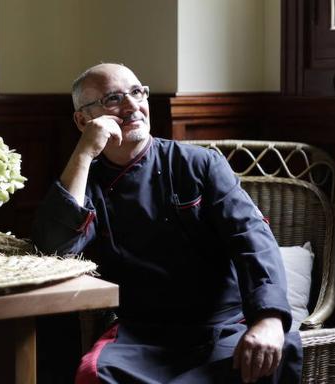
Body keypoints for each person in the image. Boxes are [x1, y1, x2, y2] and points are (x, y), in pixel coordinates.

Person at [32, 63, 302, 383]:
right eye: (113, 99)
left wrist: (269, 317)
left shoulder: (199, 164)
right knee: (96, 375)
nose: (132, 105)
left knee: (256, 363)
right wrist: (85, 152)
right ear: (83, 119)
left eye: (136, 92)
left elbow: (252, 237)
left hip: (224, 325)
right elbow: (54, 250)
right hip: (141, 335)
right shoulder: (85, 181)